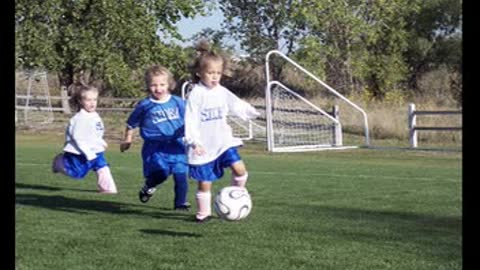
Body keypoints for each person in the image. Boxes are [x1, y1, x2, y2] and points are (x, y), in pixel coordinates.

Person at [184, 40, 260, 223]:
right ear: (199, 73)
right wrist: (194, 141)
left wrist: (249, 111)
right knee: (205, 183)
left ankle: (238, 193)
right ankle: (203, 214)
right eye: (210, 73)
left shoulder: (221, 91)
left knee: (240, 169)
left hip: (223, 141)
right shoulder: (196, 94)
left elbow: (236, 104)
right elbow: (191, 118)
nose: (215, 77)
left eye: (218, 73)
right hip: (203, 146)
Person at [120, 65, 191, 211]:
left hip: (177, 145)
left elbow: (191, 119)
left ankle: (180, 204)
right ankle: (149, 185)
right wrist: (128, 139)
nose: (158, 89)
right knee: (162, 173)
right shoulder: (145, 105)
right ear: (148, 85)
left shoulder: (178, 102)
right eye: (154, 85)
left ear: (169, 84)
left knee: (180, 175)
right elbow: (131, 123)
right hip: (155, 147)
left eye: (162, 84)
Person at [52, 83, 118, 194]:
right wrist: (88, 153)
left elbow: (95, 133)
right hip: (79, 152)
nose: (92, 103)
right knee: (77, 174)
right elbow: (78, 138)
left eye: (95, 100)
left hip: (96, 151)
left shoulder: (95, 115)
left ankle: (108, 189)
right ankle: (60, 163)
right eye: (88, 100)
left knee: (102, 167)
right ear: (80, 101)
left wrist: (101, 142)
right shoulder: (80, 118)